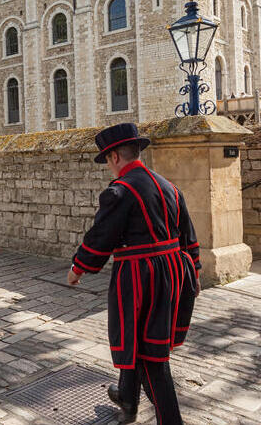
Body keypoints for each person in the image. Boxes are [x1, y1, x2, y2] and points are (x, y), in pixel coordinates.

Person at [67, 123, 201, 424]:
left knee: (150, 356)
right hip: (174, 274)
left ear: (114, 156)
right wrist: (195, 270)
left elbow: (102, 235)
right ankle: (128, 398)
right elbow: (188, 234)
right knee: (137, 339)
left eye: (108, 161)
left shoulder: (120, 192)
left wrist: (78, 268)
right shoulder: (169, 186)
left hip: (143, 280)